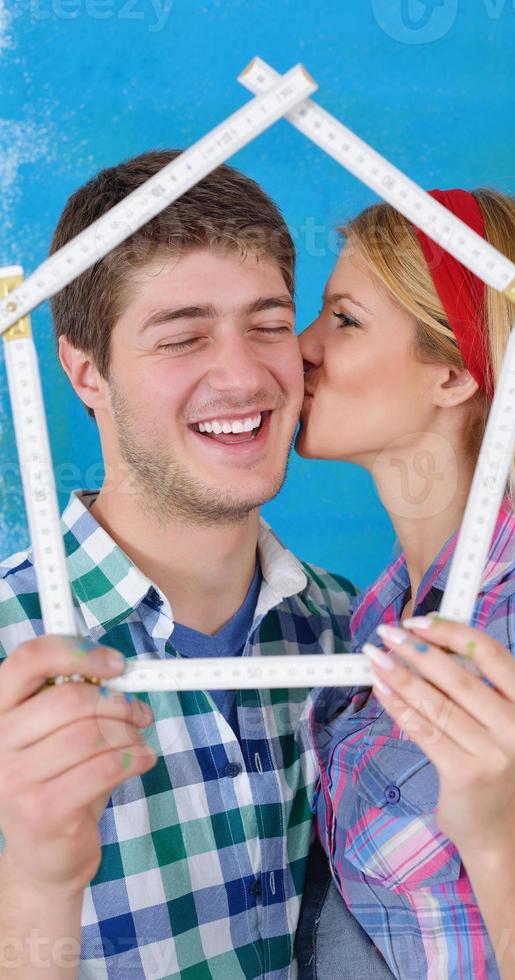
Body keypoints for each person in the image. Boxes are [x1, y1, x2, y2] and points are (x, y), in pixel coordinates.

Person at [0, 152, 358, 979]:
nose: (243, 375)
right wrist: (38, 884)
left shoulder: (359, 636)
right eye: (183, 336)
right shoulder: (16, 659)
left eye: (269, 324)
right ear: (86, 372)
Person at [294, 188, 515, 979]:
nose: (301, 347)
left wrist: (493, 834)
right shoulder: (389, 607)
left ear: (455, 374)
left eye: (343, 320)